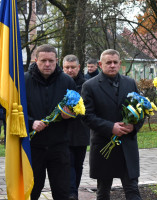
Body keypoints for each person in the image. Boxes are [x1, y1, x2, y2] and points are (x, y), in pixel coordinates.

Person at [81, 49, 144, 200]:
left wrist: (134, 126)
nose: (112, 65)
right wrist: (111, 127)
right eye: (108, 63)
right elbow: (86, 115)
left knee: (133, 189)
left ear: (120, 64)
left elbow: (140, 110)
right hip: (104, 145)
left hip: (127, 144)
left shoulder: (130, 83)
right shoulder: (89, 86)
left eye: (115, 62)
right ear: (100, 64)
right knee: (103, 190)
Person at [25, 44, 76, 200]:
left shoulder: (67, 81)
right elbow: (11, 111)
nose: (47, 64)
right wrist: (31, 122)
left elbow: (79, 109)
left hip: (59, 147)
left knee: (62, 192)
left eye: (51, 61)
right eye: (43, 60)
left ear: (57, 60)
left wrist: (71, 114)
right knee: (31, 191)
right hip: (33, 147)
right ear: (36, 60)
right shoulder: (23, 80)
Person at [62, 55, 90, 200]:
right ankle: (71, 193)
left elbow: (88, 108)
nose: (70, 70)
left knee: (78, 165)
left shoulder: (87, 84)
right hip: (62, 132)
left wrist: (74, 112)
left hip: (80, 132)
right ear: (63, 67)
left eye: (73, 67)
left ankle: (74, 191)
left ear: (79, 67)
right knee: (68, 164)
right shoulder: (59, 83)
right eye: (67, 67)